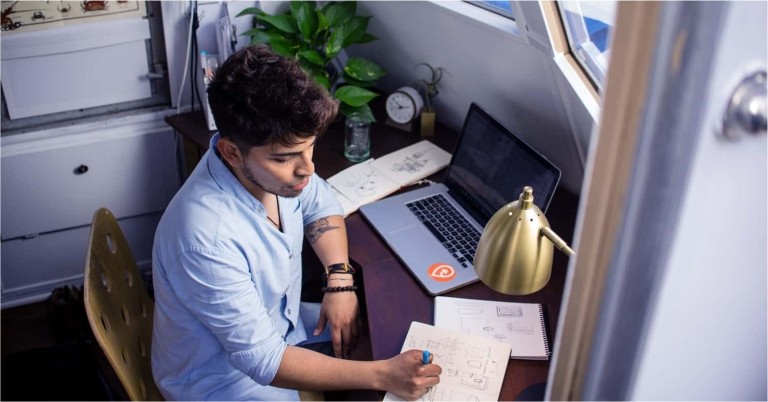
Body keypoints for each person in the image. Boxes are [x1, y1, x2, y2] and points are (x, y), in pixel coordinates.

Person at [150, 44, 441, 400]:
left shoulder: (271, 172)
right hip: (224, 381)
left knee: (381, 330)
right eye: (286, 157)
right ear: (231, 151)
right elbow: (264, 361)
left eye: (310, 147)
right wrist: (384, 376)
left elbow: (320, 201)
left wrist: (339, 279)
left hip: (281, 325)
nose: (308, 168)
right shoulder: (204, 239)